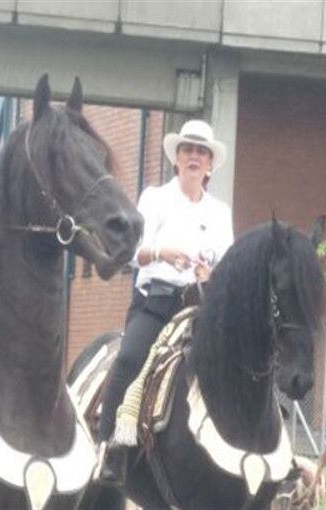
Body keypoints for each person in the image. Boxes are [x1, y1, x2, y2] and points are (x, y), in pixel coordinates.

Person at [97, 119, 234, 482]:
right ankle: (109, 447)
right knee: (129, 359)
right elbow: (130, 253)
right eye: (187, 150)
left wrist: (212, 275)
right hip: (157, 303)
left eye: (201, 152)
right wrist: (161, 252)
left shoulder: (220, 213)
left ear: (210, 164)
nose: (194, 157)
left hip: (200, 310)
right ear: (177, 158)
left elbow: (227, 265)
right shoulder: (154, 198)